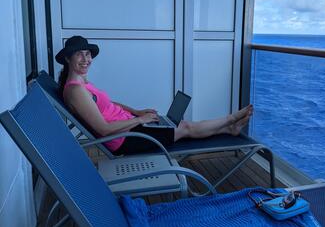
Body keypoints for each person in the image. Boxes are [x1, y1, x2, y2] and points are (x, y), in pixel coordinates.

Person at [56, 35, 253, 155]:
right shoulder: (75, 90)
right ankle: (230, 119)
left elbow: (106, 104)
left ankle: (230, 130)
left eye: (88, 54)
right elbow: (104, 129)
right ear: (67, 58)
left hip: (129, 126)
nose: (86, 59)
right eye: (79, 54)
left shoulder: (82, 83)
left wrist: (136, 112)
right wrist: (140, 119)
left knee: (178, 125)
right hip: (124, 138)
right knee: (184, 127)